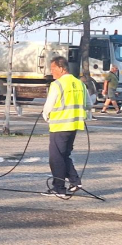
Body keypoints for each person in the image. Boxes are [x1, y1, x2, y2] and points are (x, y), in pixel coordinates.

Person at [42, 56, 90, 199]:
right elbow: (88, 104)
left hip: (59, 125)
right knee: (64, 155)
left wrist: (47, 116)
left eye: (53, 69)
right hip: (74, 125)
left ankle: (59, 189)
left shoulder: (57, 84)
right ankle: (75, 181)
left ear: (61, 68)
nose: (51, 72)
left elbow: (49, 106)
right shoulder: (80, 83)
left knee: (56, 158)